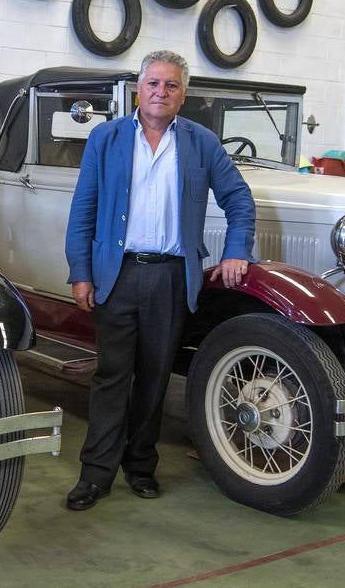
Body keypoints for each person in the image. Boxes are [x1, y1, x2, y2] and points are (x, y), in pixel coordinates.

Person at [63, 49, 256, 510]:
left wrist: (236, 252)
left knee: (153, 379)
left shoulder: (202, 143)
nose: (160, 92)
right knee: (112, 376)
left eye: (171, 86)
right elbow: (83, 211)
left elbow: (239, 200)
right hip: (118, 274)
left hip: (171, 278)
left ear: (183, 95)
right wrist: (81, 272)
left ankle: (141, 466)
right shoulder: (105, 139)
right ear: (138, 89)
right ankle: (96, 474)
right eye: (153, 83)